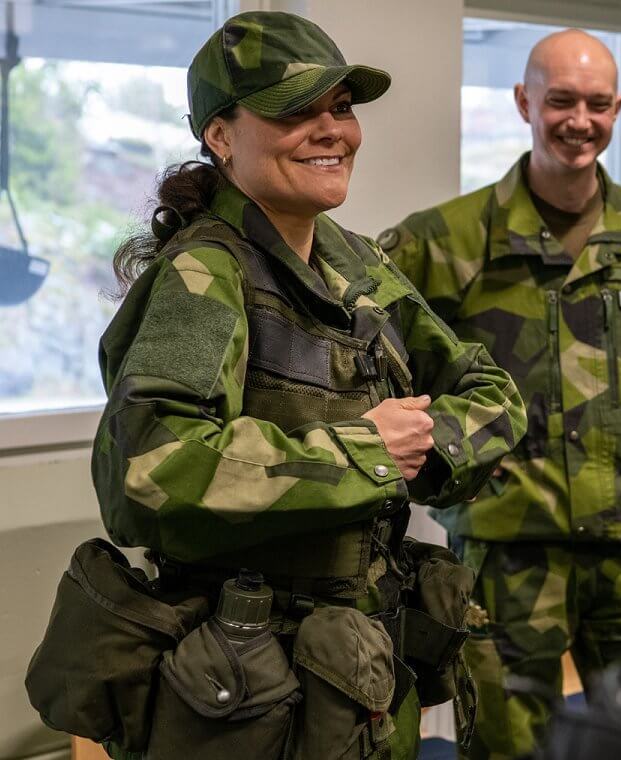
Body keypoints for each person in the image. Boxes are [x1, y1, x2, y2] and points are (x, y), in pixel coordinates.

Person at [93, 12, 524, 759]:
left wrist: (424, 450)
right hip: (254, 692)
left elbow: (491, 392)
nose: (332, 130)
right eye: (295, 110)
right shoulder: (205, 276)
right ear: (221, 136)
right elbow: (149, 470)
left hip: (360, 668)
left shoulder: (353, 261)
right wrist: (366, 454)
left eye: (342, 108)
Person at [377, 28, 621, 758]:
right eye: (561, 101)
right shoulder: (447, 239)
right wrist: (441, 452)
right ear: (524, 102)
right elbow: (368, 353)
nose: (580, 121)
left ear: (617, 110)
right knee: (506, 743)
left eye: (598, 104)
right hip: (506, 549)